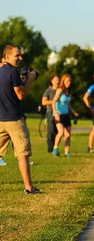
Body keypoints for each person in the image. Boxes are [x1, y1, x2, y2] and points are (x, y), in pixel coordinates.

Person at [0, 44, 40, 194]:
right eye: (17, 55)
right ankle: (29, 187)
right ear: (7, 56)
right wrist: (30, 78)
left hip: (0, 119)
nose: (20, 58)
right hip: (14, 120)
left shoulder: (1, 71)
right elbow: (21, 95)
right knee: (22, 153)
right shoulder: (13, 72)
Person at [51, 74, 79, 157]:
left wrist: (74, 112)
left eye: (70, 81)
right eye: (67, 81)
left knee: (68, 134)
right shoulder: (60, 90)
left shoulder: (68, 91)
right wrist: (55, 113)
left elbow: (68, 104)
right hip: (58, 115)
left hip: (66, 115)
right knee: (61, 132)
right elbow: (53, 102)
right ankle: (55, 148)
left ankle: (67, 152)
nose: (69, 82)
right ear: (63, 81)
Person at [42, 75, 59, 153]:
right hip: (51, 112)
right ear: (52, 81)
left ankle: (56, 147)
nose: (57, 81)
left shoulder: (60, 90)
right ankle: (50, 148)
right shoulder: (48, 91)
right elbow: (44, 102)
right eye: (55, 80)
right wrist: (53, 102)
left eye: (58, 79)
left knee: (58, 131)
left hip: (59, 112)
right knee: (51, 130)